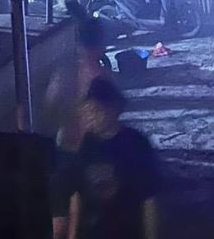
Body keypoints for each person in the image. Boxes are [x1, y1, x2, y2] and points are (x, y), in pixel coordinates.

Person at [64, 77, 160, 239]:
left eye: (96, 111)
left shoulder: (135, 143)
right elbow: (77, 194)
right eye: (87, 112)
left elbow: (149, 199)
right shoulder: (88, 143)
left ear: (113, 108)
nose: (91, 117)